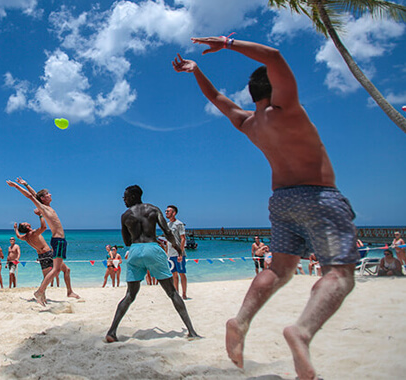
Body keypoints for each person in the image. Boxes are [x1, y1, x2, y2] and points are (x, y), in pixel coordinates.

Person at [174, 37, 359, 380]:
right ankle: (302, 331)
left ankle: (240, 320)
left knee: (279, 269)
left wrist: (196, 69)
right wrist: (227, 43)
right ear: (276, 88)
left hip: (281, 201)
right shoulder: (287, 110)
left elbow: (215, 98)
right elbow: (274, 55)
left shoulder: (249, 123)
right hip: (319, 197)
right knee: (339, 273)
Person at [105, 185, 199, 342]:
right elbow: (167, 232)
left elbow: (126, 241)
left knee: (129, 295)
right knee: (172, 292)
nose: (124, 200)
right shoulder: (153, 210)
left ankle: (112, 332)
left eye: (126, 197)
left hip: (135, 251)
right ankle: (191, 331)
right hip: (152, 248)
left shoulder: (125, 215)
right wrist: (177, 248)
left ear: (134, 196)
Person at [7, 177, 80, 305]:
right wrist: (17, 187)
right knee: (56, 270)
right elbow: (31, 197)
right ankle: (40, 292)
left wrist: (27, 184)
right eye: (47, 194)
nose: (50, 194)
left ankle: (69, 291)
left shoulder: (47, 207)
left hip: (61, 241)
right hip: (57, 241)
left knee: (65, 270)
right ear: (44, 199)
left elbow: (35, 195)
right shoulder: (44, 210)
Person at [14, 216, 78, 300]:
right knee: (66, 270)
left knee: (46, 278)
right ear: (27, 227)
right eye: (25, 223)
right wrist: (40, 215)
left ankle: (42, 295)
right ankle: (69, 292)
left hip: (41, 257)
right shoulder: (33, 233)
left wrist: (15, 229)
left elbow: (18, 236)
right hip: (48, 254)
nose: (26, 222)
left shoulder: (26, 237)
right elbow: (44, 227)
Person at [165, 205, 188, 299]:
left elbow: (183, 239)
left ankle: (184, 293)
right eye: (165, 211)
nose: (166, 212)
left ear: (173, 213)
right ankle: (176, 293)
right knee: (173, 274)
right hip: (170, 254)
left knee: (181, 273)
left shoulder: (179, 224)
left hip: (178, 253)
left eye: (168, 211)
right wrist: (166, 252)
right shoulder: (167, 225)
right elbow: (167, 240)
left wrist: (180, 253)